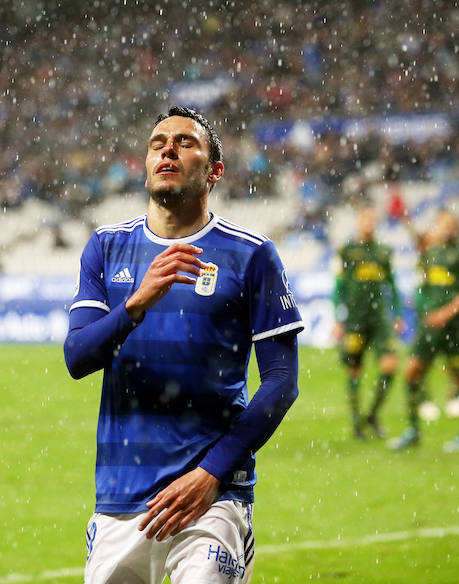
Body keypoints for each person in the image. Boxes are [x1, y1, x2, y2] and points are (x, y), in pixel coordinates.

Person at [64, 106, 304, 583]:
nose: (168, 149)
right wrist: (135, 305)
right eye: (158, 144)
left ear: (215, 171)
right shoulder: (106, 246)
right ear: (147, 165)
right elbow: (77, 358)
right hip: (120, 500)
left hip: (212, 501)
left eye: (185, 142)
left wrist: (212, 472)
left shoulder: (251, 254)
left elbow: (281, 382)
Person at [389, 211, 459, 452]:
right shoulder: (429, 255)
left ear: (456, 227)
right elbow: (420, 287)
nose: (446, 228)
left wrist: (446, 313)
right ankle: (413, 431)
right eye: (442, 224)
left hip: (456, 328)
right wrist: (425, 309)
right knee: (411, 373)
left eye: (451, 224)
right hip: (430, 328)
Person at [331, 207, 404, 439]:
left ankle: (372, 414)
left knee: (390, 365)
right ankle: (356, 424)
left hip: (379, 319)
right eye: (365, 220)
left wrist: (398, 314)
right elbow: (338, 287)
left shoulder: (384, 252)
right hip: (355, 320)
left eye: (372, 221)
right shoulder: (347, 251)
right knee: (354, 370)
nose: (368, 225)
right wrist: (338, 317)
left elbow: (392, 285)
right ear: (358, 223)